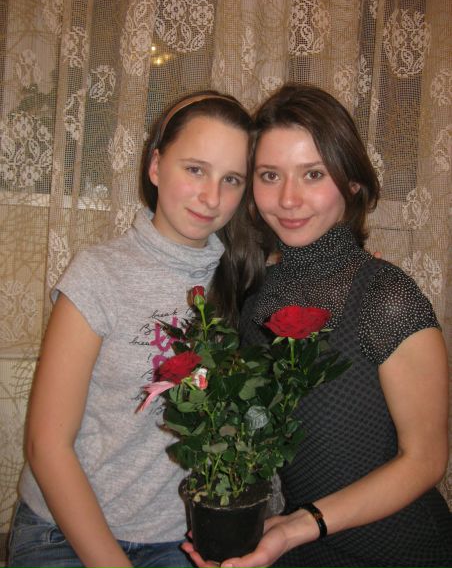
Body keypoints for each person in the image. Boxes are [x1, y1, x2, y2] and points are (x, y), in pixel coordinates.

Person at [182, 83, 452, 568]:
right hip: (297, 550)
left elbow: (426, 460)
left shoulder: (387, 298)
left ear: (352, 183)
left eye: (313, 174)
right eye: (270, 175)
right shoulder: (256, 301)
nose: (288, 198)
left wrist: (300, 526)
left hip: (398, 551)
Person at [7, 91, 255, 568]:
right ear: (156, 166)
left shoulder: (244, 280)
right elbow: (46, 445)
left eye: (231, 179)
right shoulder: (98, 274)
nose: (211, 197)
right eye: (195, 169)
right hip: (64, 532)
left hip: (179, 540)